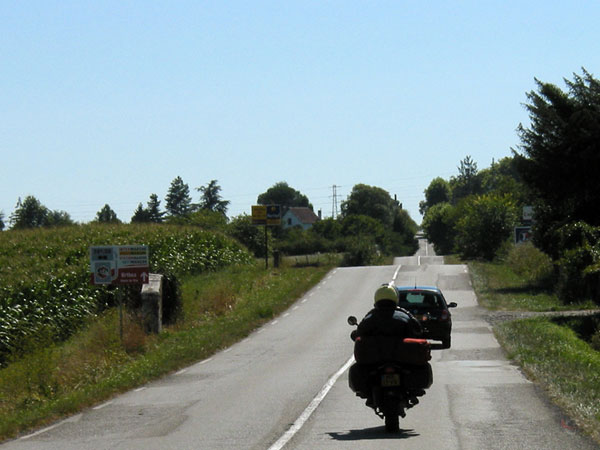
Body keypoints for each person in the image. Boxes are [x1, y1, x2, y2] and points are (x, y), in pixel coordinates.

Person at [351, 284, 423, 342]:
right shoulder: (405, 318)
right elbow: (417, 332)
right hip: (401, 359)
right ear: (395, 298)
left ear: (376, 299)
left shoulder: (368, 320)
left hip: (374, 359)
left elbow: (358, 335)